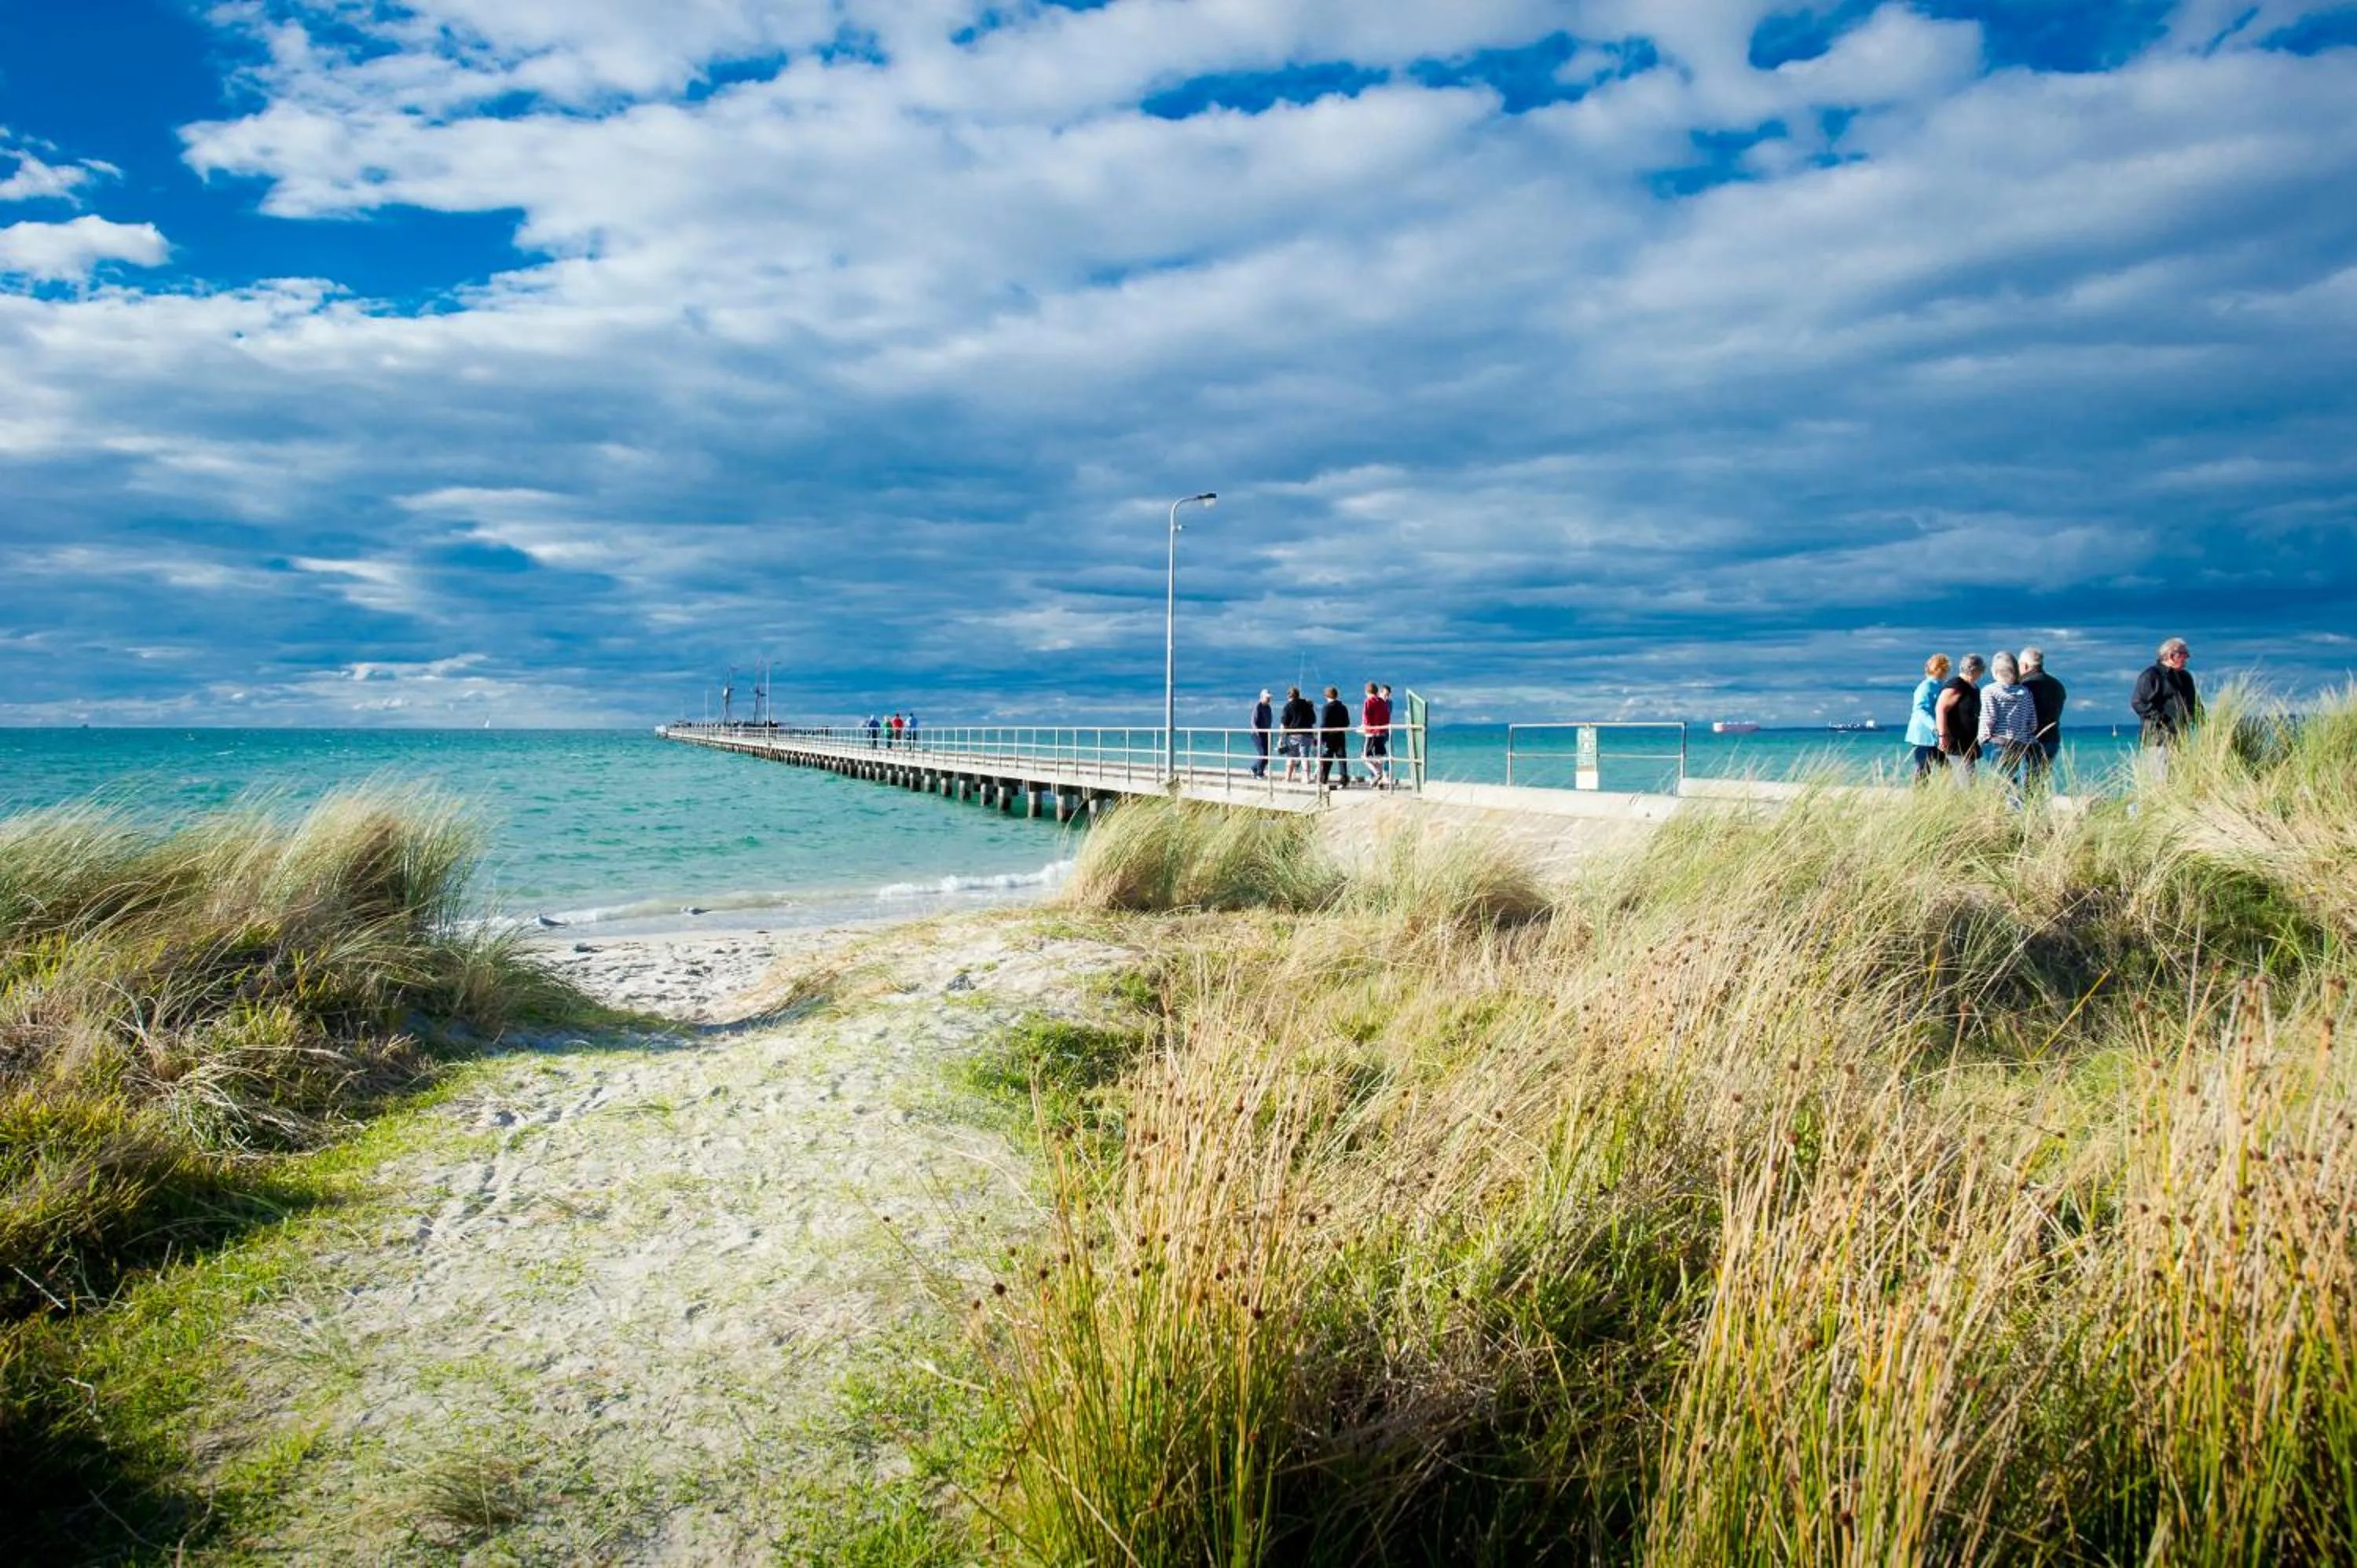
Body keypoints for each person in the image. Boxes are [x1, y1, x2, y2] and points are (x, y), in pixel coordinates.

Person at [2131, 637, 2199, 772]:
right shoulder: (2151, 676)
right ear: (2172, 655)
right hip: (2157, 740)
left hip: (2181, 738)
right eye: (2184, 655)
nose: (2187, 659)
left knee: (2180, 780)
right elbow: (2138, 702)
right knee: (2161, 782)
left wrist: (2205, 723)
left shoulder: (2185, 677)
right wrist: (2162, 720)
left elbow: (2194, 703)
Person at [1978, 652, 2040, 796]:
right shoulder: (2025, 692)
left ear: (1995, 671)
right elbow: (2032, 722)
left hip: (1997, 742)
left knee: (1998, 782)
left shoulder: (1989, 691)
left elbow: (1989, 718)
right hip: (2019, 742)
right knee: (2011, 778)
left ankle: (2006, 811)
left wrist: (1982, 739)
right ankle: (2016, 809)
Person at [2018, 647, 2066, 789]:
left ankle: (2028, 810)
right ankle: (2038, 809)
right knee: (2041, 781)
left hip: (2031, 740)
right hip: (2052, 738)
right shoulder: (2057, 685)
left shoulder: (2024, 686)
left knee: (2026, 783)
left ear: (2024, 665)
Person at [1937, 654, 1985, 777]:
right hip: (1956, 742)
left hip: (1969, 742)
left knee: (1962, 782)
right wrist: (1943, 735)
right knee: (1968, 780)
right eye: (1982, 669)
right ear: (1973, 670)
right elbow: (1941, 709)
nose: (1982, 673)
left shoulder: (1973, 687)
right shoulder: (1956, 685)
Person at [1905, 654, 1951, 781]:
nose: (1946, 671)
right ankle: (1921, 798)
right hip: (1923, 736)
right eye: (1945, 668)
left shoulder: (1943, 685)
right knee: (1923, 771)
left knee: (1947, 769)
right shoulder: (1926, 686)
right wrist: (1934, 726)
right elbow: (1920, 710)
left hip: (1938, 735)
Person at [1278, 686, 1317, 782]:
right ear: (1298, 695)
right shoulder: (1307, 704)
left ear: (1289, 696)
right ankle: (1307, 778)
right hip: (1307, 735)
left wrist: (1280, 739)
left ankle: (1288, 778)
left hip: (1294, 736)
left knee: (1291, 757)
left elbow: (1284, 723)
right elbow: (1313, 720)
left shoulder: (1288, 706)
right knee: (1305, 757)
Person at [1318, 685, 1352, 787]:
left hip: (1329, 737)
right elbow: (1347, 723)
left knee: (1328, 758)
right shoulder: (1343, 707)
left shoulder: (1326, 708)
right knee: (1341, 757)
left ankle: (1324, 778)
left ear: (1326, 696)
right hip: (1340, 735)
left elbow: (1324, 724)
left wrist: (1321, 736)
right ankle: (1344, 778)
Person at [1361, 681, 1392, 788]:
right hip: (1382, 733)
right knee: (1380, 756)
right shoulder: (1382, 702)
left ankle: (1377, 773)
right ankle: (1379, 781)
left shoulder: (1368, 701)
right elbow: (1387, 716)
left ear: (1366, 692)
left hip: (1371, 734)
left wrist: (1365, 729)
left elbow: (1366, 717)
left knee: (1365, 757)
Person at [1250, 690, 1274, 778]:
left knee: (1267, 756)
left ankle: (1254, 768)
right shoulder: (1258, 706)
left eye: (1269, 698)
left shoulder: (1269, 708)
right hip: (1257, 734)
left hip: (1266, 733)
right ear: (1262, 697)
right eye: (1267, 698)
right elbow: (1253, 722)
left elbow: (1269, 721)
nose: (1269, 699)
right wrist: (1257, 732)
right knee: (1262, 753)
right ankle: (1259, 773)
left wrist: (1269, 732)